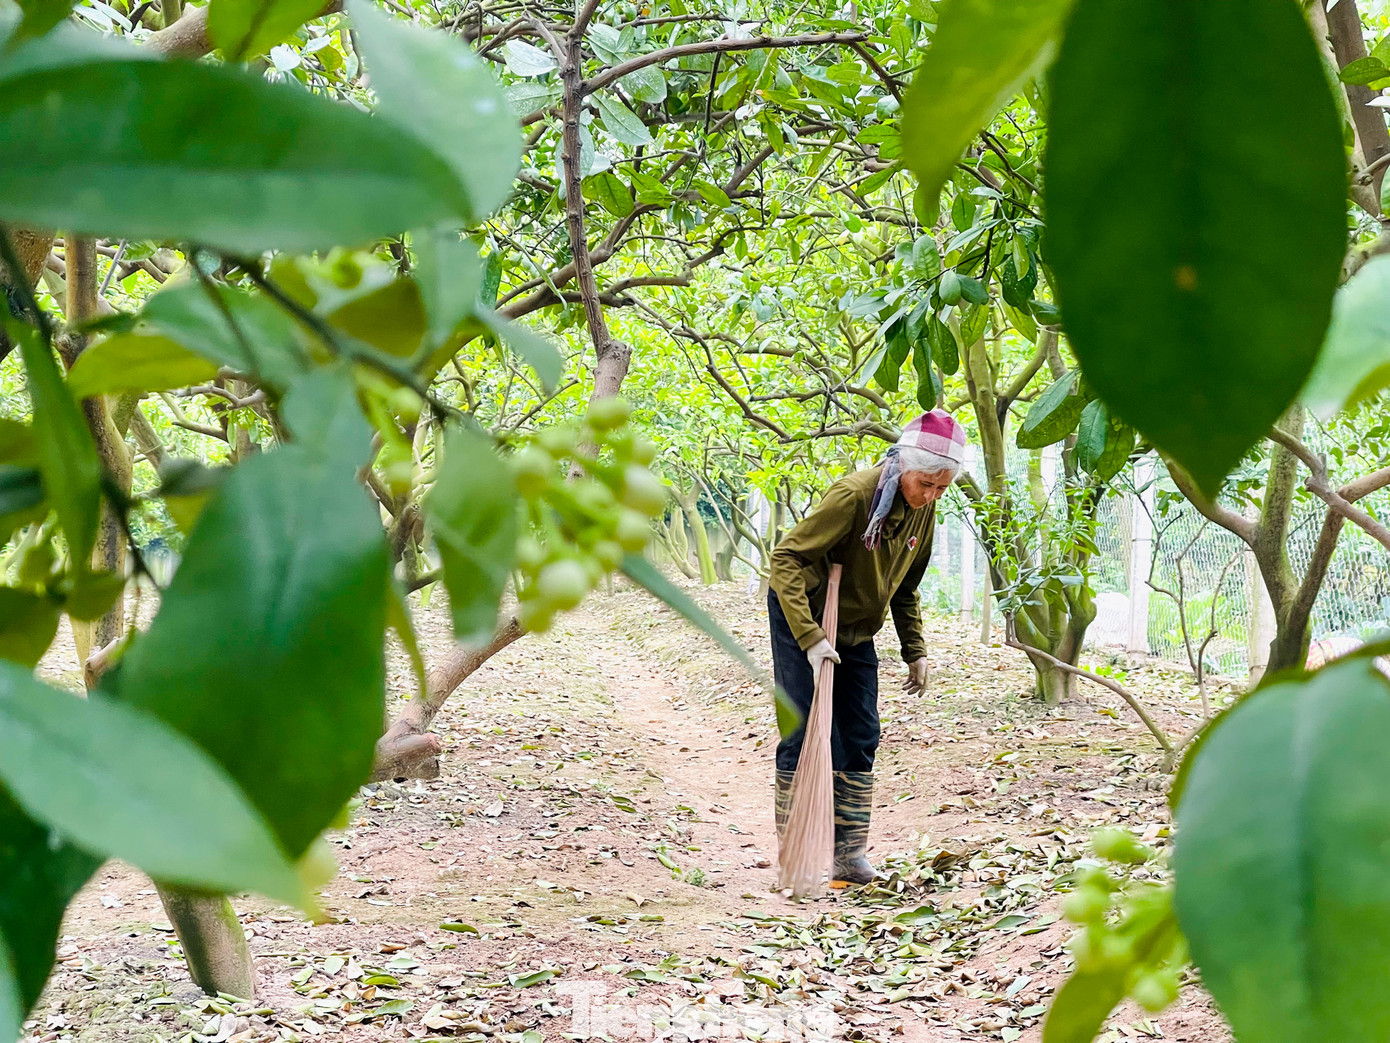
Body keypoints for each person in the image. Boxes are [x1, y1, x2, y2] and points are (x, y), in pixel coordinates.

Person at [767, 409, 966, 884]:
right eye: (925, 484)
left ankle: (847, 855)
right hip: (806, 615)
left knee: (860, 734)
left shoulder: (926, 505)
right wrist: (811, 639)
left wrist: (914, 649)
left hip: (856, 625)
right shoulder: (855, 495)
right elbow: (786, 558)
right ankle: (794, 856)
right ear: (902, 468)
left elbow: (905, 585)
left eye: (942, 488)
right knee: (802, 730)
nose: (931, 495)